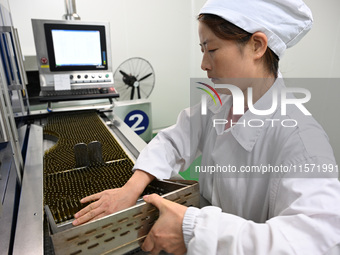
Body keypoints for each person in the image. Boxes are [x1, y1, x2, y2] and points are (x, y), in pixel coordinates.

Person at [73, 0, 340, 254]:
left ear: (257, 46)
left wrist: (195, 232)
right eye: (202, 50)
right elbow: (172, 140)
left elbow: (320, 241)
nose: (204, 64)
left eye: (212, 50)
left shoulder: (302, 140)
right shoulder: (221, 102)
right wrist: (131, 188)